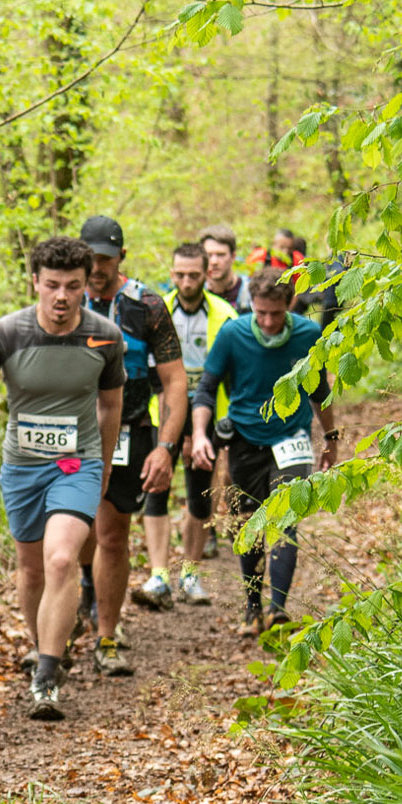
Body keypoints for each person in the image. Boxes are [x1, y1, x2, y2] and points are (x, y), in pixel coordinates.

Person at [0, 235, 122, 717]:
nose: (62, 296)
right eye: (53, 285)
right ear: (35, 282)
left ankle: (46, 675)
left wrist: (103, 465)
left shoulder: (106, 336)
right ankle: (45, 642)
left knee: (61, 559)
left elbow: (111, 406)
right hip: (22, 467)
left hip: (77, 464)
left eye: (73, 286)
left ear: (87, 286)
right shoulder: (6, 334)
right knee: (31, 569)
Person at [188, 266, 341, 636]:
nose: (269, 322)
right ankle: (253, 608)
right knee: (249, 522)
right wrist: (200, 434)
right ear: (252, 306)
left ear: (289, 305)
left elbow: (319, 390)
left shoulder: (307, 334)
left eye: (276, 313)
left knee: (285, 519)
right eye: (261, 313)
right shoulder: (233, 333)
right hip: (245, 438)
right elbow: (206, 387)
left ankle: (279, 610)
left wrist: (331, 437)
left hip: (292, 438)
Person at [67, 217, 185, 667]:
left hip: (129, 429)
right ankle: (85, 586)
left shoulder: (147, 305)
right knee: (74, 528)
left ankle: (107, 636)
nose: (97, 267)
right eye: (90, 258)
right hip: (71, 431)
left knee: (113, 534)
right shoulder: (63, 298)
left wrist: (165, 448)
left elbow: (175, 382)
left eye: (106, 259)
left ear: (122, 257)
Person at [144, 242, 237, 606]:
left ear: (206, 274)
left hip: (209, 414)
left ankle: (190, 574)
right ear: (171, 274)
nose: (186, 282)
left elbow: (233, 372)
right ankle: (158, 575)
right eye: (179, 275)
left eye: (193, 276)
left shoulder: (225, 315)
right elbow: (150, 372)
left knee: (200, 496)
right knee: (156, 490)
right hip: (163, 415)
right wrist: (177, 431)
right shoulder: (156, 311)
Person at [199, 224, 253, 314]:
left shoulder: (250, 291)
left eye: (221, 255)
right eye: (209, 255)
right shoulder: (197, 293)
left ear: (233, 256)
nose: (214, 262)